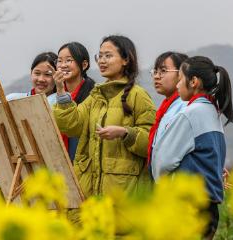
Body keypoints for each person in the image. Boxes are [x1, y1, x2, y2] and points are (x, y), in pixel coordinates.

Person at [52, 35, 156, 199]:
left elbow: (151, 143)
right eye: (99, 56)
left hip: (124, 193)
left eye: (108, 56)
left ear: (126, 59)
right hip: (93, 191)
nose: (102, 61)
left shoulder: (138, 96)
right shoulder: (96, 96)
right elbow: (72, 126)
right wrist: (60, 91)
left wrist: (125, 133)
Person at [151, 56, 233, 239]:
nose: (178, 85)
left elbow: (162, 161)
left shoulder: (190, 113)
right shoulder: (214, 112)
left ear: (194, 81)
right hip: (209, 207)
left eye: (180, 79)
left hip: (187, 205)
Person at [0, 51, 58, 185]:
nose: (41, 79)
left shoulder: (61, 106)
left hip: (40, 181)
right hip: (1, 177)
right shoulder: (12, 100)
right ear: (31, 73)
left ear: (57, 77)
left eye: (48, 75)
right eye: (37, 73)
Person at [49, 42, 95, 161]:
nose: (63, 65)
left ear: (84, 65)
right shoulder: (52, 98)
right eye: (59, 61)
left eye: (69, 60)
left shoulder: (94, 95)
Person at [147, 51, 188, 169]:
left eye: (163, 71)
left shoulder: (184, 108)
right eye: (155, 71)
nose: (156, 76)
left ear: (182, 74)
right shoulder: (168, 106)